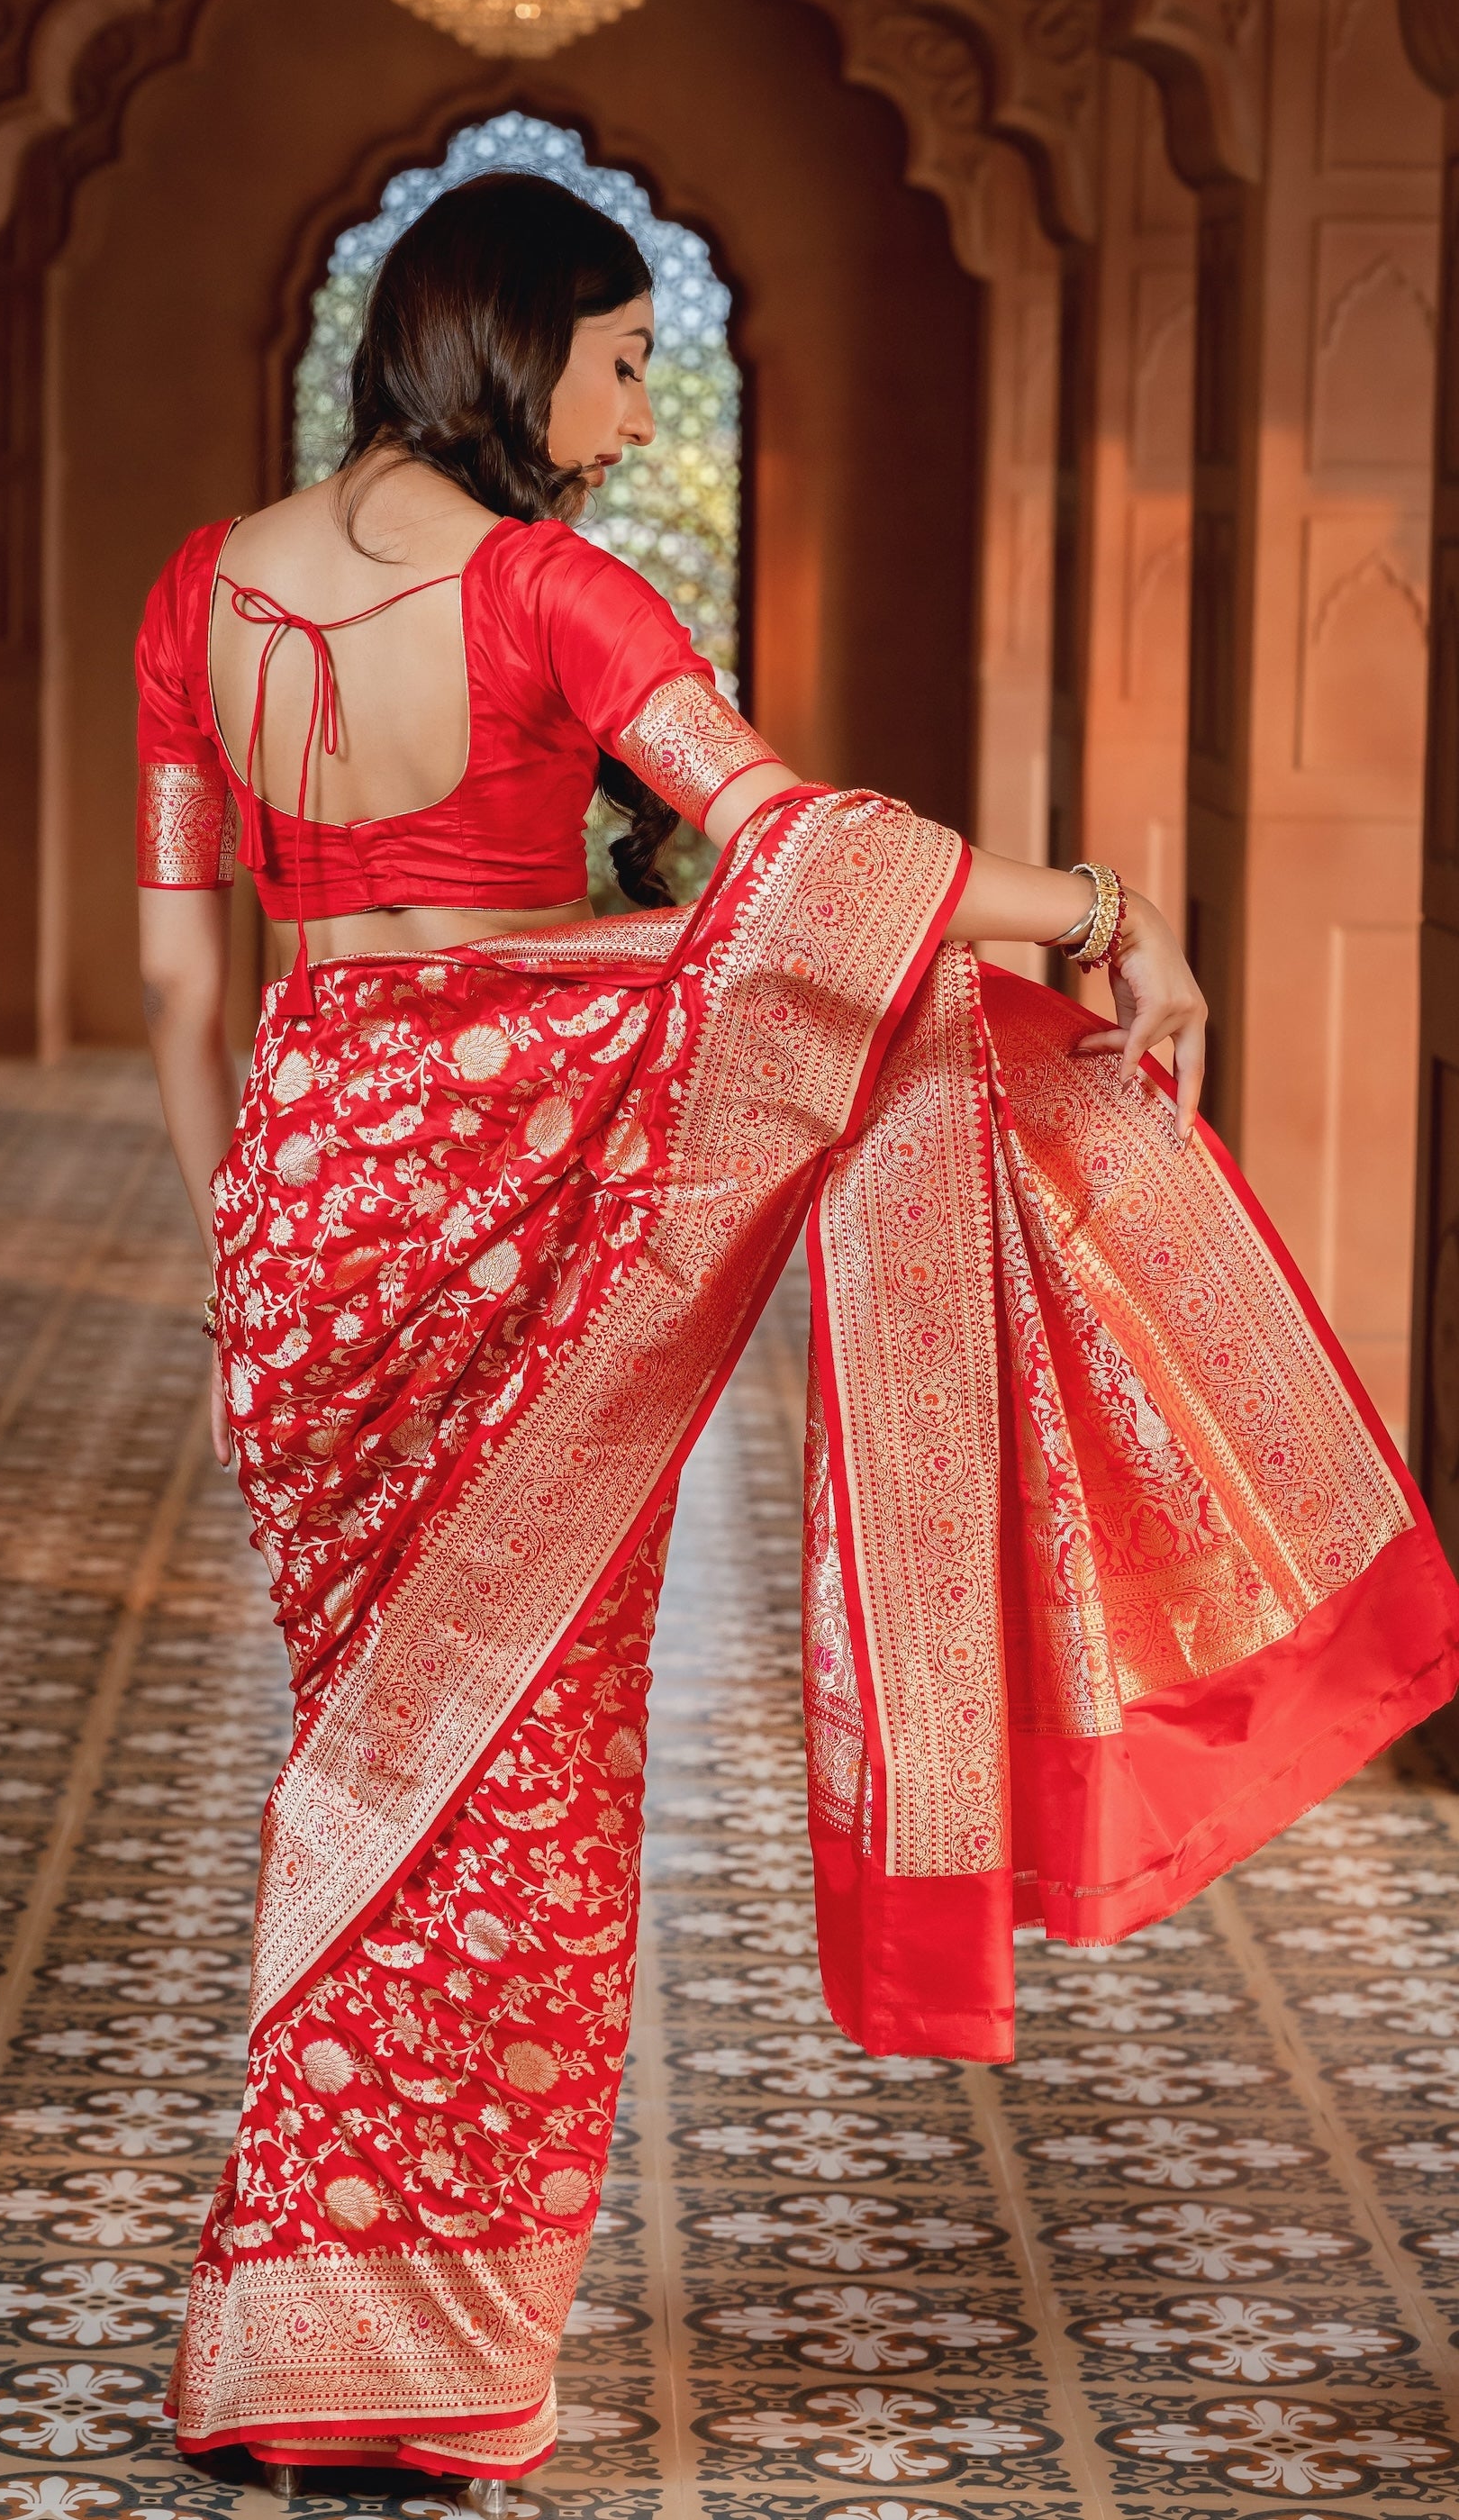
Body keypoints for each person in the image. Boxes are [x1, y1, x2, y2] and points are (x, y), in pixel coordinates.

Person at [135, 175, 1459, 2508]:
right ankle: (430, 2353)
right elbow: (791, 859)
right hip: (511, 1205)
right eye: (623, 361)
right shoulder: (553, 588)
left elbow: (175, 980)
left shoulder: (198, 586)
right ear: (518, 349)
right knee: (517, 1764)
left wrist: (235, 1217)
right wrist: (1100, 915)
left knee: (368, 1737)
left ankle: (293, 2301)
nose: (639, 414)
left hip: (301, 1203)